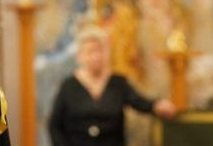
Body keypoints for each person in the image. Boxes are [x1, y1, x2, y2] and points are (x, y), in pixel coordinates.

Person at [49, 27, 177, 146]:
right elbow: (54, 125)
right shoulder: (68, 86)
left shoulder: (118, 83)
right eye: (90, 52)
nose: (95, 57)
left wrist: (157, 105)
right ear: (80, 56)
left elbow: (139, 102)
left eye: (99, 50)